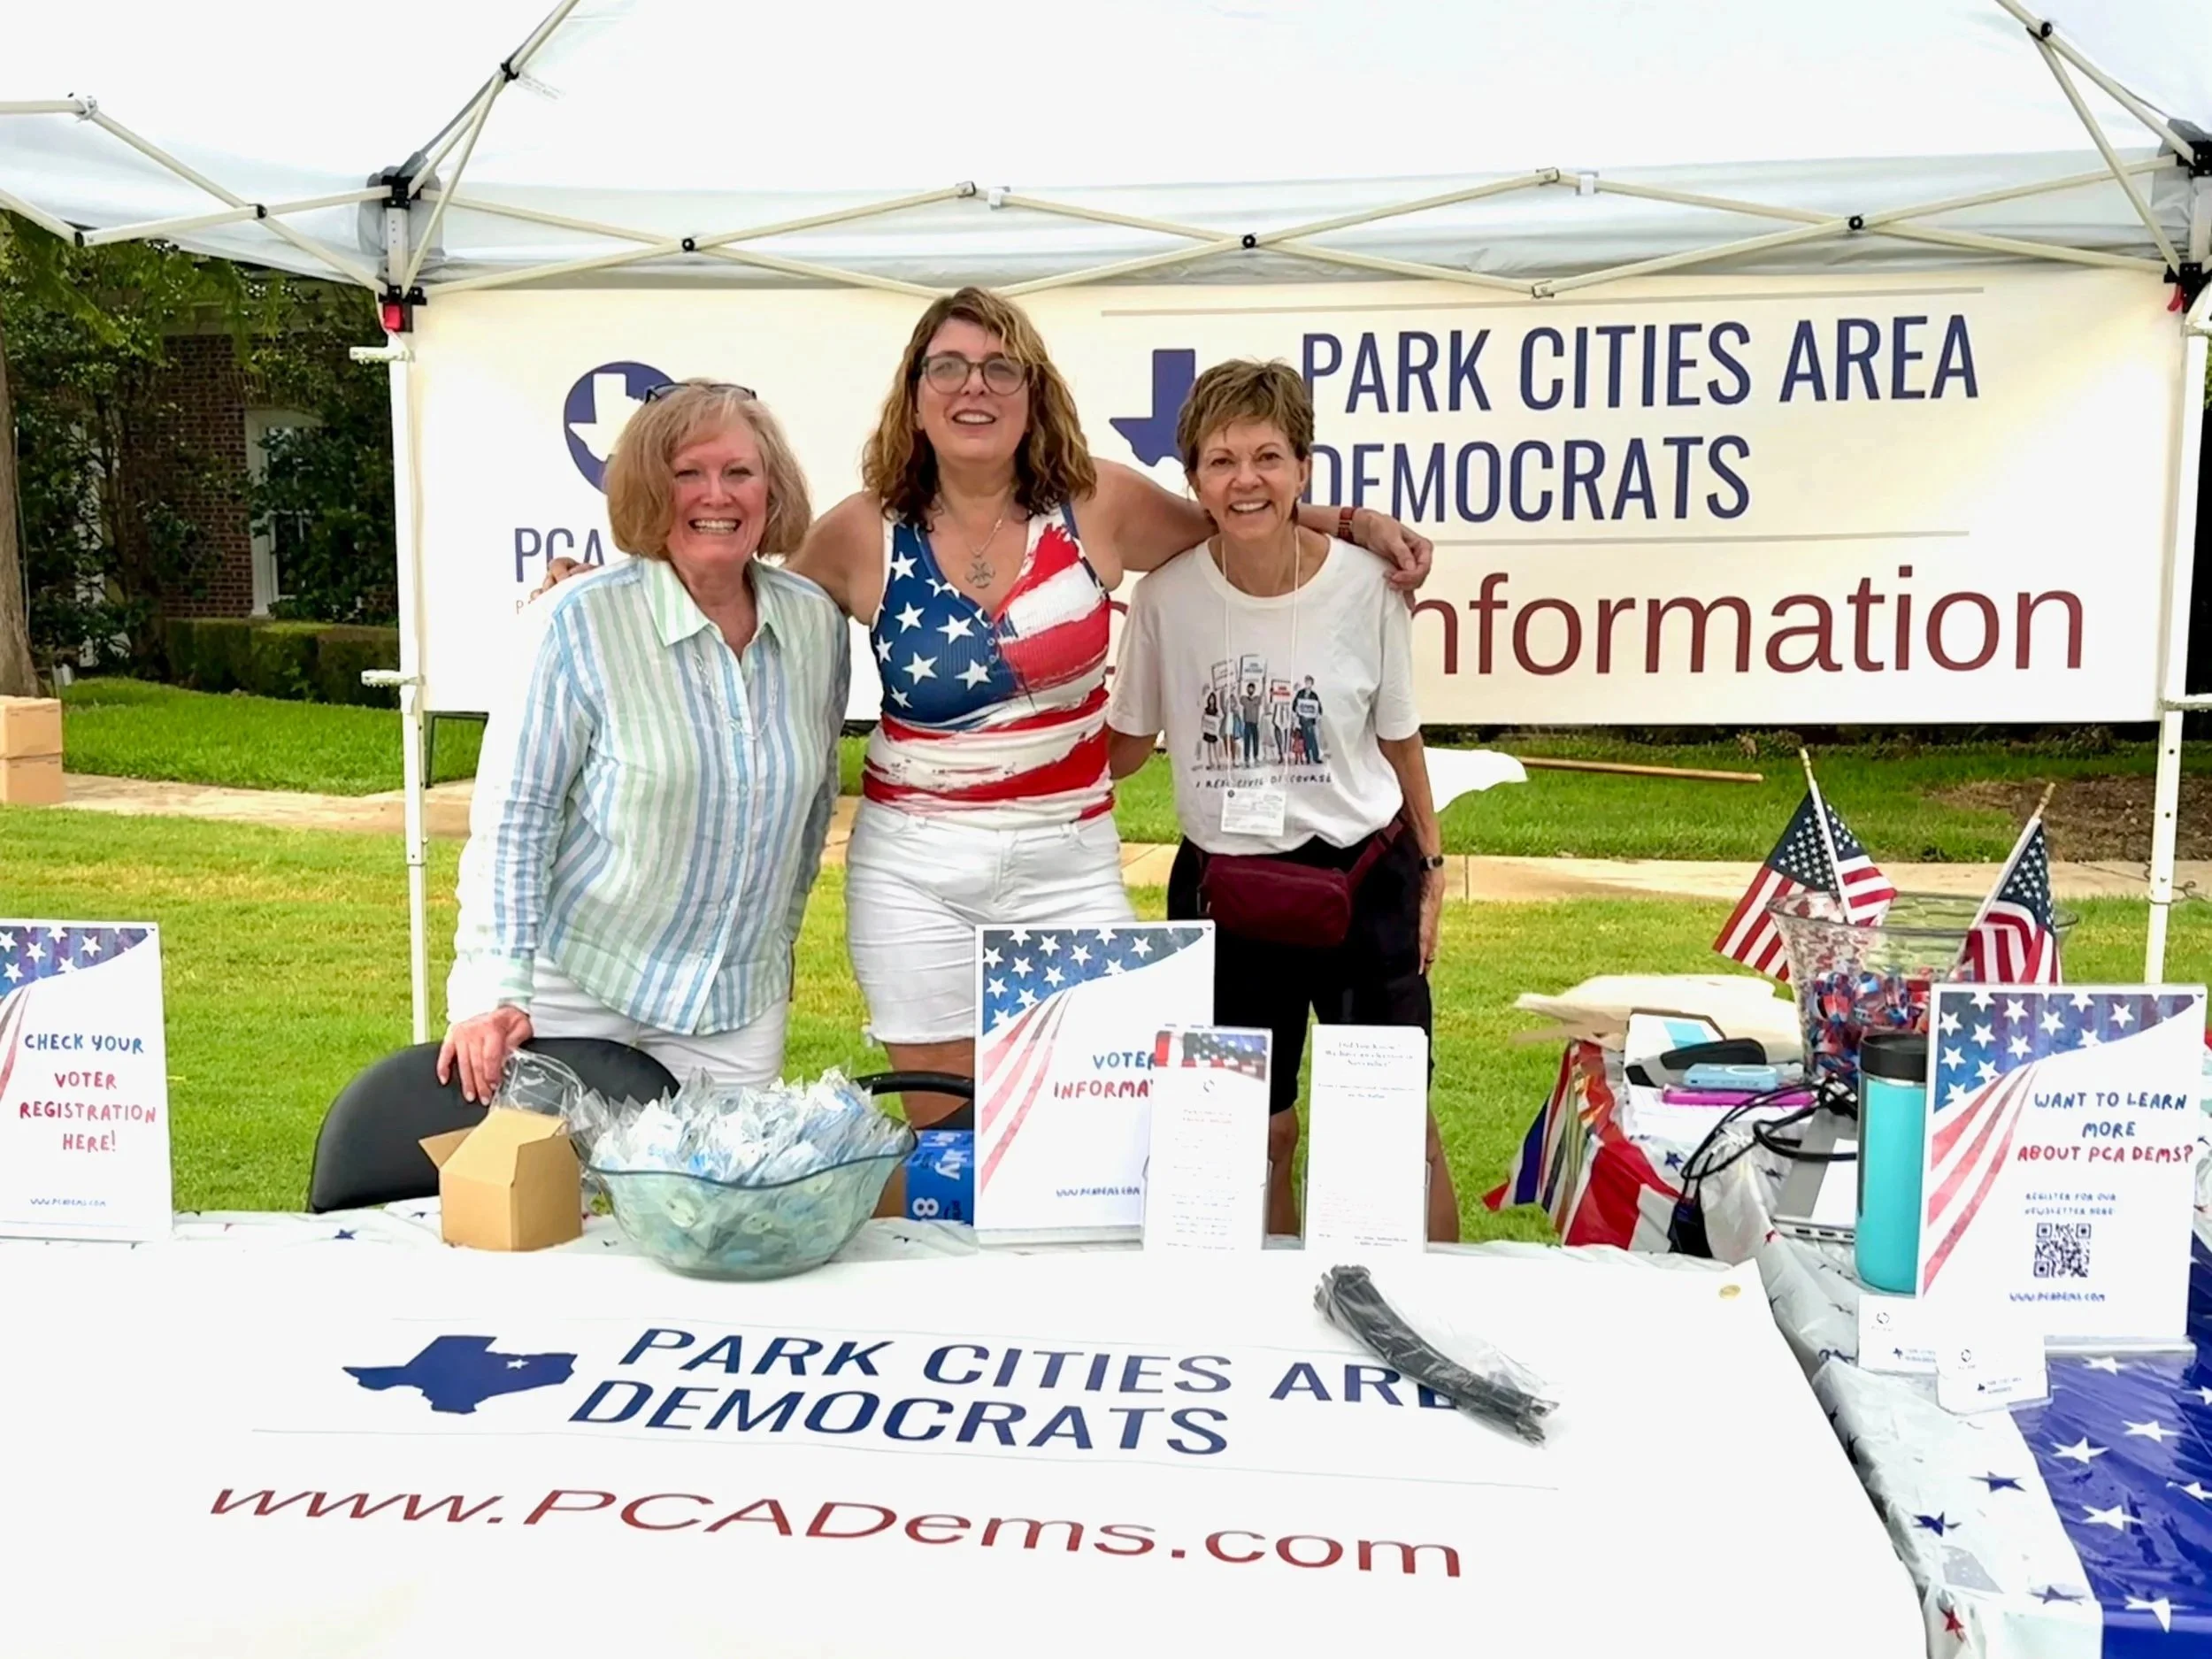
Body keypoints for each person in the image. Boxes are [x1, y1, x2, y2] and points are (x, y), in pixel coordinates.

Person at [780, 288, 1433, 1156]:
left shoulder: (1098, 501)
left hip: (1068, 863)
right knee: (955, 1144)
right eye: (948, 367)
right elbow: (753, 621)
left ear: (1034, 391)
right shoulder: (859, 532)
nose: (974, 386)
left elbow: (1233, 514)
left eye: (1000, 368)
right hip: (914, 876)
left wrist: (1353, 523)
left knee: (1098, 1143)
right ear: (914, 393)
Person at [1106, 358, 1457, 1241]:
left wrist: (1431, 862)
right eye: (1221, 460)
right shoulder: (1166, 598)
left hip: (1361, 885)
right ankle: (1258, 1302)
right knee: (1250, 1134)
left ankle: (1439, 1295)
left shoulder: (1367, 586)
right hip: (1227, 894)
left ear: (1304, 467)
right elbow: (1125, 745)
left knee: (1395, 1126)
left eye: (1267, 456)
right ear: (1193, 480)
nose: (1246, 480)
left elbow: (1399, 736)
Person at [439, 381, 849, 1102]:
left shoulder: (816, 623)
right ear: (650, 491)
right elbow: (515, 819)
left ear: (771, 488)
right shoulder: (575, 622)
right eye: (688, 473)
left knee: (719, 1181)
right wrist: (492, 989)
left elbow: (812, 810)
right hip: (578, 983)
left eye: (739, 471)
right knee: (547, 1179)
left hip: (734, 1005)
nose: (716, 495)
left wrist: (778, 942)